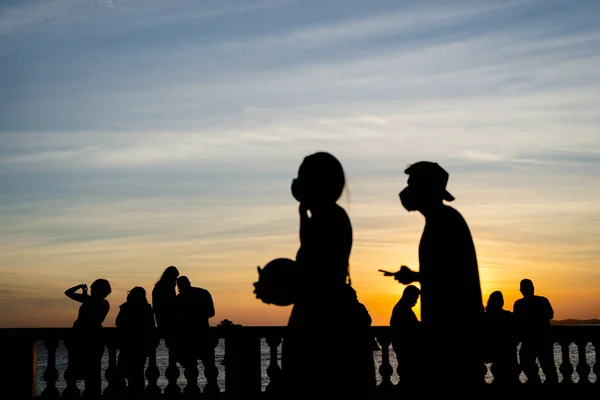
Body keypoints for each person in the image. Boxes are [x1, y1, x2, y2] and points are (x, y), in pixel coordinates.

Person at [260, 151, 375, 398]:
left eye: (302, 177)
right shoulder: (328, 217)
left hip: (322, 326)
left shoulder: (331, 219)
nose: (297, 183)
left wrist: (277, 287)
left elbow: (315, 278)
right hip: (323, 319)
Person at [387, 161, 484, 388]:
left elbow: (452, 279)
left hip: (453, 335)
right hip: (445, 331)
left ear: (425, 189)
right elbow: (444, 273)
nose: (407, 191)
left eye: (411, 185)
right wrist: (415, 277)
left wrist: (416, 277)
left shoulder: (446, 221)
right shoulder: (438, 221)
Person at [65, 279, 112, 397]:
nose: (91, 291)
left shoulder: (90, 300)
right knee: (93, 371)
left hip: (82, 338)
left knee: (76, 370)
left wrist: (79, 287)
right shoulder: (105, 303)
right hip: (95, 338)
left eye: (93, 289)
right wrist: (85, 293)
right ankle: (92, 394)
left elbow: (68, 292)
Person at [175, 276, 219, 393]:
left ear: (178, 286)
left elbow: (176, 318)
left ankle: (192, 390)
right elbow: (211, 312)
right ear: (189, 283)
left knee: (191, 367)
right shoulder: (203, 293)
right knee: (209, 365)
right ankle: (213, 390)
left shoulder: (179, 299)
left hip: (188, 336)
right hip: (204, 333)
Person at [513, 279, 557, 384]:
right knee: (545, 366)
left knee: (545, 366)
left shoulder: (519, 304)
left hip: (535, 340)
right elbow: (550, 314)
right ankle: (536, 381)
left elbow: (516, 321)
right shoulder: (541, 300)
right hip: (539, 340)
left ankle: (536, 381)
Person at [116, 286, 157, 399]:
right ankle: (136, 394)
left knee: (122, 373)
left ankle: (126, 393)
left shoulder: (126, 307)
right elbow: (151, 327)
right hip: (140, 345)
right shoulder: (147, 309)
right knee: (137, 373)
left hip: (128, 344)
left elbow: (118, 322)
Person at [483, 291, 520, 385]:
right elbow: (518, 333)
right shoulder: (509, 316)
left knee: (499, 375)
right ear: (501, 302)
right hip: (509, 353)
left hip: (497, 353)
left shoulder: (487, 317)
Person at [390, 285, 422, 387]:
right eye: (415, 299)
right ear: (410, 296)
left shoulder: (401, 307)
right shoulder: (402, 309)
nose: (416, 302)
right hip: (406, 348)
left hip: (403, 347)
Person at [152, 266, 180, 349]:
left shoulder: (159, 287)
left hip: (162, 319)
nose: (176, 281)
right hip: (167, 320)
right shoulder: (165, 288)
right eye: (175, 278)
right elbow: (169, 305)